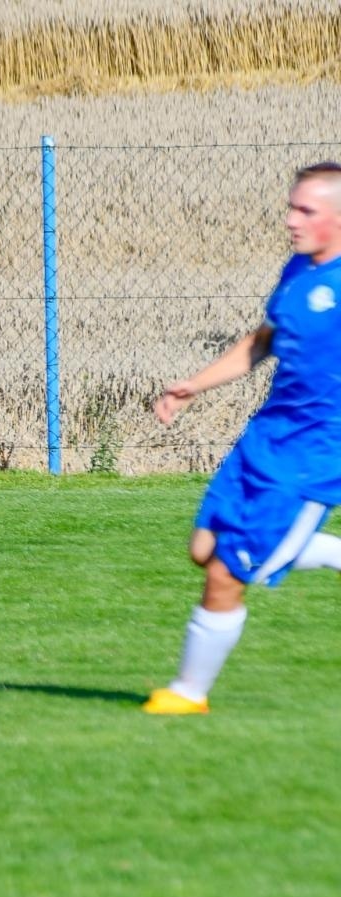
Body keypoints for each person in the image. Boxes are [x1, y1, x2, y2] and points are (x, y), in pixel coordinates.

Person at [146, 161, 341, 714]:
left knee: (227, 572)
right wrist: (192, 387)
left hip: (312, 459)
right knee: (202, 548)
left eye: (305, 210)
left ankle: (188, 694)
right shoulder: (299, 269)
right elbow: (263, 342)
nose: (290, 219)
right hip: (265, 439)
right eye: (291, 206)